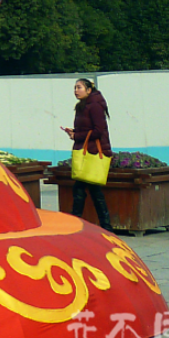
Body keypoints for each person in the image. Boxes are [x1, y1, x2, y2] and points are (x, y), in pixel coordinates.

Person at [61, 77, 114, 231]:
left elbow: (99, 130)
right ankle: (105, 226)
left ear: (89, 90)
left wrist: (77, 136)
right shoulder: (83, 106)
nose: (76, 91)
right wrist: (74, 132)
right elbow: (87, 128)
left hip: (93, 153)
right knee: (90, 190)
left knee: (84, 189)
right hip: (88, 152)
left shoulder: (95, 106)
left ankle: (78, 222)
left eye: (79, 87)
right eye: (75, 88)